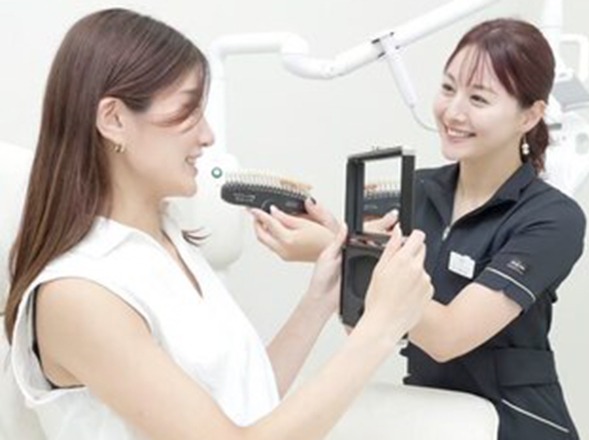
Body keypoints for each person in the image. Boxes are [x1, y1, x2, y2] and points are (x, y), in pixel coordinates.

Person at [2, 8, 435, 440]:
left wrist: (319, 300)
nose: (207, 135)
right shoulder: (79, 294)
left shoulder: (166, 240)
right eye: (188, 112)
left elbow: (245, 407)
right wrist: (379, 329)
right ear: (114, 120)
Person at [251, 18, 585, 440]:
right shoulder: (418, 190)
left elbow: (448, 336)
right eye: (447, 88)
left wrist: (341, 251)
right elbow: (367, 324)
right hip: (429, 415)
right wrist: (341, 246)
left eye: (478, 98)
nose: (453, 112)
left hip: (515, 423)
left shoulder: (552, 218)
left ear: (530, 115)